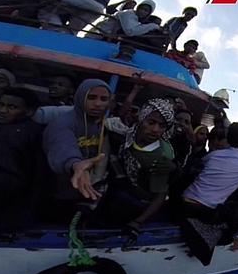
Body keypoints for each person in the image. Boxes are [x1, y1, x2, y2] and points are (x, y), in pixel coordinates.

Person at [0, 88, 45, 231]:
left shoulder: (11, 135)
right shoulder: (31, 130)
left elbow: (4, 176)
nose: (2, 110)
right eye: (0, 105)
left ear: (29, 111)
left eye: (11, 107)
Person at [109, 98, 176, 238]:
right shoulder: (126, 133)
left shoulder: (161, 156)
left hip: (136, 206)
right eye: (151, 122)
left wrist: (137, 222)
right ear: (141, 119)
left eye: (162, 126)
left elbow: (160, 195)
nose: (155, 129)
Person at [43, 79, 111, 209]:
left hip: (85, 190)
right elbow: (62, 146)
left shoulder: (102, 125)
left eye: (103, 99)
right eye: (91, 98)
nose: (98, 104)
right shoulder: (63, 123)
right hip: (57, 192)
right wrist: (75, 163)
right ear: (80, 97)